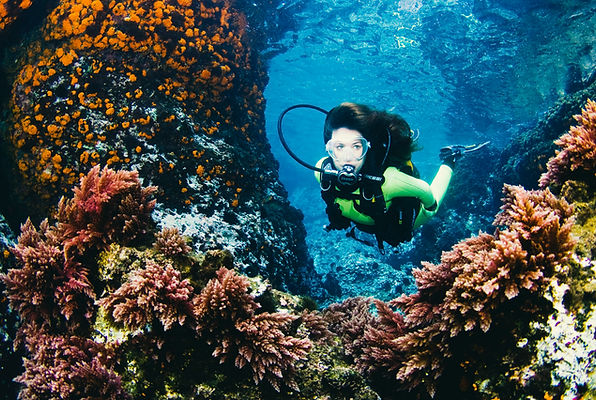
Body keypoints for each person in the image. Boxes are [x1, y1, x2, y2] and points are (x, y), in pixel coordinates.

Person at [314, 102, 483, 251]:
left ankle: (450, 160)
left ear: (368, 148)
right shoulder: (321, 172)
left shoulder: (389, 181)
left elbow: (425, 191)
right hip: (368, 222)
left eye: (357, 146)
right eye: (339, 147)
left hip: (404, 221)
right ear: (329, 148)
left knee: (434, 209)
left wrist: (430, 207)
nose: (347, 157)